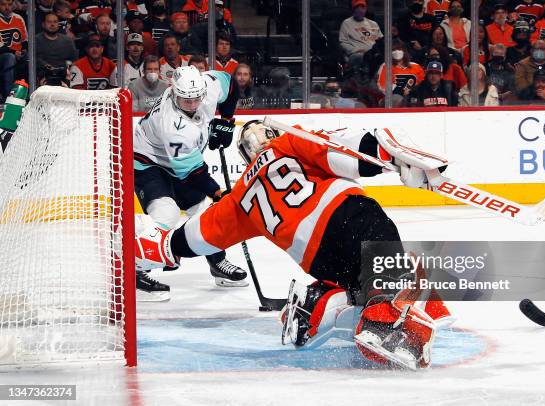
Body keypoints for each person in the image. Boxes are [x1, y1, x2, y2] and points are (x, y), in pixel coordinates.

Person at [135, 119, 453, 369]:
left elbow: (198, 237)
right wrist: (395, 160)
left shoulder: (237, 200)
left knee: (359, 274)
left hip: (317, 257)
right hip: (345, 217)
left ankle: (317, 305)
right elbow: (344, 151)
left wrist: (165, 246)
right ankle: (384, 323)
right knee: (386, 257)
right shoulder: (288, 141)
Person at [133, 65, 247, 299]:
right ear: (173, 92)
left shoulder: (209, 85)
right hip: (148, 163)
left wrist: (226, 121)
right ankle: (136, 270)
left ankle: (217, 262)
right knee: (166, 213)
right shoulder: (173, 126)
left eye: (197, 99)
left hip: (176, 162)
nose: (194, 105)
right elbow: (192, 173)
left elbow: (232, 84)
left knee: (203, 212)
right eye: (187, 101)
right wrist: (218, 193)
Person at [376, 40, 424, 106]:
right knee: (397, 98)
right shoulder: (386, 66)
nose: (397, 52)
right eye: (393, 50)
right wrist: (401, 91)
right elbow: (382, 86)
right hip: (392, 100)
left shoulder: (416, 66)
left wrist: (411, 91)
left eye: (399, 49)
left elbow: (423, 83)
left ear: (404, 51)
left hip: (413, 98)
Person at [339, 0, 383, 68]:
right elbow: (343, 42)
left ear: (366, 9)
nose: (360, 10)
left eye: (362, 7)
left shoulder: (373, 24)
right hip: (357, 54)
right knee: (361, 57)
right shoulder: (346, 23)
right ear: (353, 9)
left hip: (373, 53)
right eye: (357, 7)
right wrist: (355, 50)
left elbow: (381, 40)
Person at [0, 0, 27, 101]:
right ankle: (8, 96)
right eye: (3, 4)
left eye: (9, 4)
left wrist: (24, 50)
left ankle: (32, 94)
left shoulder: (18, 18)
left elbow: (25, 40)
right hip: (3, 56)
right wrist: (14, 53)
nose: (7, 7)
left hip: (18, 54)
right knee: (9, 58)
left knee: (32, 56)